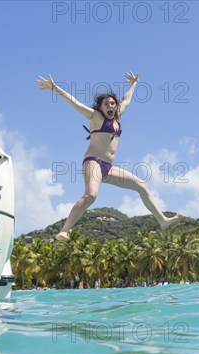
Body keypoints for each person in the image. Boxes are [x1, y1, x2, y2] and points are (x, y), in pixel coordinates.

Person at [36, 71, 181, 240]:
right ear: (101, 107)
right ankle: (64, 230)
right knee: (91, 195)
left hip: (108, 168)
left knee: (141, 185)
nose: (110, 106)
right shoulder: (96, 117)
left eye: (112, 103)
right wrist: (54, 88)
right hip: (93, 162)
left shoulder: (117, 117)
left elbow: (127, 99)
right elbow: (74, 103)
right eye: (106, 104)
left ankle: (162, 220)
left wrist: (134, 84)